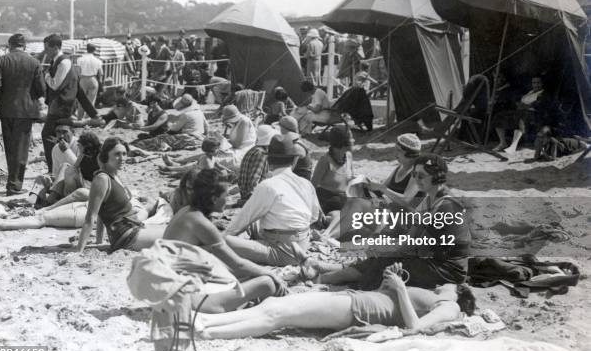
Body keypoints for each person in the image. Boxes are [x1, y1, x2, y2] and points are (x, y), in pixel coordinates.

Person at [312, 154, 471, 291]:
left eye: (421, 176)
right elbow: (412, 239)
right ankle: (327, 273)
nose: (416, 179)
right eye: (414, 175)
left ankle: (324, 277)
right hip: (432, 258)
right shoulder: (430, 200)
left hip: (447, 269)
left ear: (437, 177)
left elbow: (417, 247)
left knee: (385, 264)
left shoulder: (445, 206)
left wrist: (387, 249)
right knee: (381, 256)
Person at [195, 266, 475, 339]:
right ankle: (206, 320)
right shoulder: (438, 296)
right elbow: (386, 300)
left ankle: (208, 333)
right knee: (272, 305)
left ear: (460, 291)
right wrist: (391, 283)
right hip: (356, 301)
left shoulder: (451, 307)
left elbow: (414, 327)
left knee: (279, 316)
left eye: (449, 283)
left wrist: (401, 288)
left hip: (357, 310)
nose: (442, 283)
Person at [163, 169, 288, 313]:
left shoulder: (187, 212)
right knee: (267, 283)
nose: (228, 200)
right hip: (183, 300)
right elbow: (238, 264)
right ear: (214, 198)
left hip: (170, 291)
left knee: (249, 275)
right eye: (226, 195)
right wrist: (271, 274)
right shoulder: (200, 223)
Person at [225, 135, 321, 266]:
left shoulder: (268, 185)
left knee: (223, 241)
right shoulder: (306, 183)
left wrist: (225, 236)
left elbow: (242, 220)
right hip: (303, 242)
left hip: (281, 250)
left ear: (268, 161)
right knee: (255, 223)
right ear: (294, 161)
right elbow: (314, 217)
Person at [77, 137, 170, 252]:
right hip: (127, 236)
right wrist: (79, 250)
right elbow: (90, 217)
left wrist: (99, 242)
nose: (122, 158)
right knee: (176, 235)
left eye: (124, 154)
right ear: (106, 156)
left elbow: (103, 210)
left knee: (175, 230)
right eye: (117, 154)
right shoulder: (102, 179)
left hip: (132, 228)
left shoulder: (114, 175)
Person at [42, 34, 104, 173]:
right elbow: (79, 91)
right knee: (60, 138)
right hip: (62, 107)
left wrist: (45, 75)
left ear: (56, 47)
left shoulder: (63, 63)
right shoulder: (61, 62)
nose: (45, 51)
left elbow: (55, 85)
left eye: (47, 48)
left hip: (61, 107)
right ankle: (62, 167)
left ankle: (55, 169)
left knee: (49, 136)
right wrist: (93, 113)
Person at [0, 34, 45, 195]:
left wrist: (0, 103)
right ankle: (15, 186)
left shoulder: (1, 61)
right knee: (21, 149)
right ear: (25, 46)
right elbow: (41, 89)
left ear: (10, 45)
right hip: (26, 111)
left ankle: (12, 183)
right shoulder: (34, 62)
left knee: (9, 148)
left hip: (6, 110)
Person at [492, 75, 544, 154]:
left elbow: (536, 105)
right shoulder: (530, 92)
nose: (536, 85)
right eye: (534, 83)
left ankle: (513, 146)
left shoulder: (542, 93)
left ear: (542, 83)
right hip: (522, 111)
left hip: (534, 114)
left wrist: (524, 105)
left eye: (538, 82)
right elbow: (522, 102)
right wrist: (521, 104)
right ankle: (503, 142)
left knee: (521, 116)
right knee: (499, 115)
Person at [312, 126, 355, 214]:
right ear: (343, 142)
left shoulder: (348, 156)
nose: (354, 140)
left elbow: (350, 180)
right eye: (351, 138)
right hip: (328, 201)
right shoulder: (325, 160)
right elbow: (312, 187)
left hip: (344, 198)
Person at [236, 125, 278, 205]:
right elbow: (254, 178)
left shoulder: (254, 150)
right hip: (250, 195)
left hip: (246, 192)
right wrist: (253, 198)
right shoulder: (261, 154)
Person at [75, 43, 103, 119]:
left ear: (86, 49)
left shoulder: (80, 59)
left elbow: (77, 71)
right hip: (93, 79)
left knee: (81, 100)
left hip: (83, 79)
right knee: (91, 101)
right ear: (94, 50)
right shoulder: (97, 60)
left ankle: (79, 117)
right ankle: (89, 118)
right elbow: (101, 73)